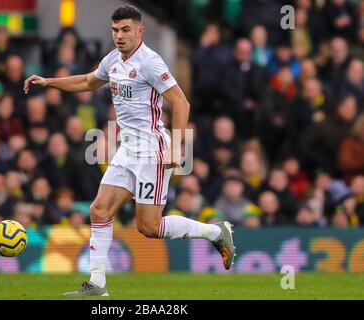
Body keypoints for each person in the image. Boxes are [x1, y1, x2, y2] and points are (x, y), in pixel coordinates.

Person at [24, 5, 235, 297]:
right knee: (99, 210)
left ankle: (215, 233)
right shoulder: (112, 59)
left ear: (139, 31)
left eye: (125, 30)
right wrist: (49, 81)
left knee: (148, 227)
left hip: (152, 149)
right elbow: (87, 81)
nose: (119, 36)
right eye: (115, 30)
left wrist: (176, 147)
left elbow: (181, 103)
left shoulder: (151, 62)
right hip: (127, 149)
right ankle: (97, 284)